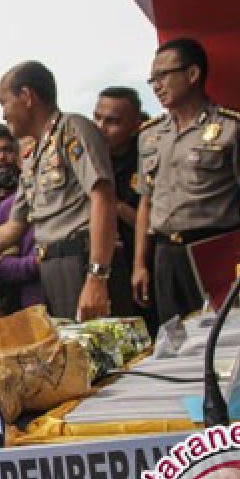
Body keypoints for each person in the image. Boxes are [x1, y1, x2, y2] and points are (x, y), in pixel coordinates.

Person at [0, 61, 129, 322]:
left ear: (26, 97)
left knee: (104, 351)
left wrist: (97, 276)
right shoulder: (34, 156)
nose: (3, 114)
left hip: (83, 260)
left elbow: (103, 198)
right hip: (53, 266)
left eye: (4, 102)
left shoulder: (73, 130)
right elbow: (12, 228)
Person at [132, 38, 240, 324]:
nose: (157, 86)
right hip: (166, 255)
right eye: (152, 80)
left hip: (215, 250)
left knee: (226, 334)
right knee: (177, 343)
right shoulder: (150, 135)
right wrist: (139, 264)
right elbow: (145, 202)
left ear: (192, 74)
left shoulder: (231, 127)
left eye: (163, 76)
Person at [93, 86, 155, 330]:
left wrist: (108, 202)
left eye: (112, 121)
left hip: (143, 260)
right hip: (105, 267)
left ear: (136, 124)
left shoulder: (147, 155)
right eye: (97, 117)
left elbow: (148, 217)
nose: (101, 127)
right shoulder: (91, 159)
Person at [0, 125, 42, 312]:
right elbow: (3, 265)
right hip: (25, 302)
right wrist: (36, 263)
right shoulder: (0, 203)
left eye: (8, 150)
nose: (2, 157)